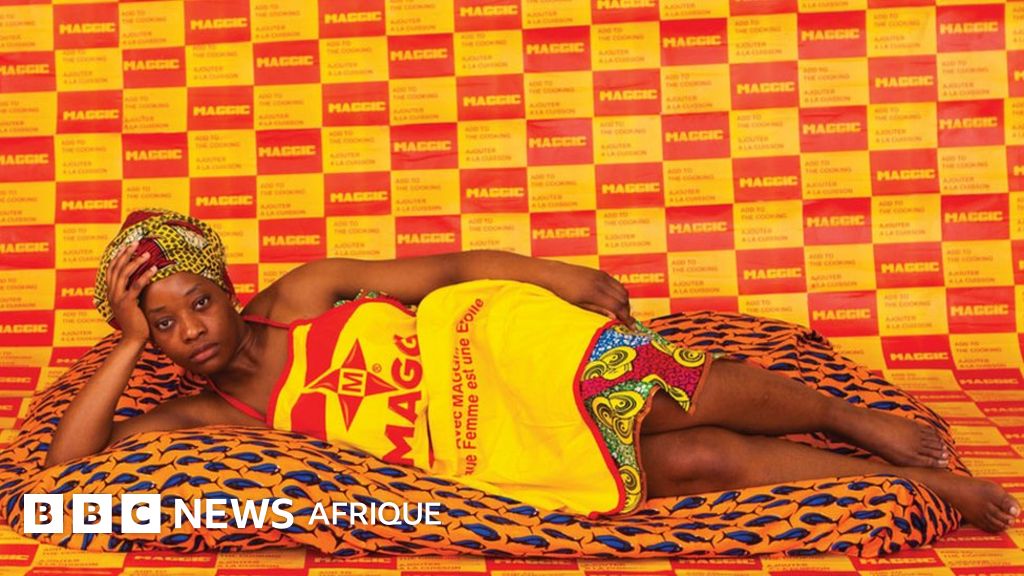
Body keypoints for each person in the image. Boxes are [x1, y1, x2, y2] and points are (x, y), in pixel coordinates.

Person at [46, 209, 1018, 532]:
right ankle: (913, 487)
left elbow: (449, 271)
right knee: (690, 464)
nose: (189, 332)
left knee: (667, 391)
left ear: (226, 287)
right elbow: (65, 470)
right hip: (478, 444)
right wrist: (126, 343)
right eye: (161, 326)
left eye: (197, 303)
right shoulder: (207, 416)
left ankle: (849, 421)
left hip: (491, 345)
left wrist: (552, 274)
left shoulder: (301, 293)